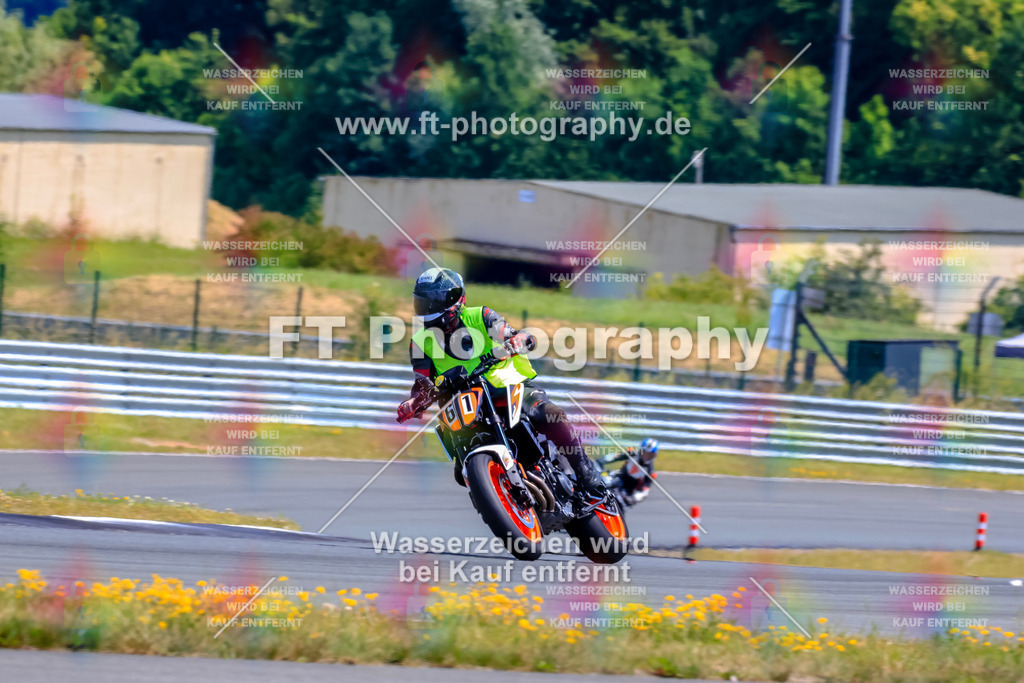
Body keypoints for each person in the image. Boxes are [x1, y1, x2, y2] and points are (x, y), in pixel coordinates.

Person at [396, 267, 607, 497]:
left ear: (455, 299)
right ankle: (499, 498)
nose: (428, 309)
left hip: (510, 388)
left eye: (434, 302)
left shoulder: (481, 316)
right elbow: (421, 384)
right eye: (423, 303)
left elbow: (514, 334)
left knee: (550, 414)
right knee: (461, 472)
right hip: (465, 406)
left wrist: (517, 341)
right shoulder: (419, 343)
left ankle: (586, 471)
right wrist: (413, 402)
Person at [601, 438, 659, 505]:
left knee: (619, 509)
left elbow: (644, 491)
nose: (646, 457)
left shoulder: (651, 472)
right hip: (617, 478)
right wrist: (603, 460)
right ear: (640, 450)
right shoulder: (631, 454)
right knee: (603, 480)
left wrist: (633, 498)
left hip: (626, 493)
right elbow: (615, 457)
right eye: (645, 453)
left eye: (650, 455)